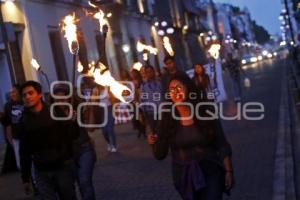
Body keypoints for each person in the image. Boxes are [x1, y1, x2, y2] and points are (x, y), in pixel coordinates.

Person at [148, 74, 234, 200]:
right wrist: (154, 142)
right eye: (171, 90)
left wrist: (228, 171)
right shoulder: (167, 119)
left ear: (188, 88)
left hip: (210, 171)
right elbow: (160, 154)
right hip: (184, 175)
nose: (175, 92)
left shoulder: (206, 112)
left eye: (179, 88)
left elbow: (222, 144)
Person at [19, 81, 78, 199]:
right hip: (41, 170)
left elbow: (72, 136)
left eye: (30, 93)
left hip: (61, 167)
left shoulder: (55, 111)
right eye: (24, 95)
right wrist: (25, 178)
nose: (27, 97)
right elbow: (24, 151)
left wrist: (72, 123)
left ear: (40, 94)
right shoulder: (24, 121)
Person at [51, 86, 97, 200]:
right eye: (57, 100)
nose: (61, 102)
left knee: (84, 181)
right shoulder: (52, 116)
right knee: (69, 188)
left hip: (84, 149)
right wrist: (68, 122)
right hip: (68, 155)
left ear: (69, 98)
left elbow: (91, 128)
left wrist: (90, 108)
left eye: (64, 99)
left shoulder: (78, 109)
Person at [1, 84, 24, 171]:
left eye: (14, 92)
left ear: (19, 92)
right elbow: (7, 122)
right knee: (20, 163)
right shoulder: (8, 105)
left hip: (28, 136)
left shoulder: (25, 102)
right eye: (11, 92)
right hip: (16, 137)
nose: (12, 94)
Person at [91, 85, 118, 152]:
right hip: (101, 111)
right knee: (104, 131)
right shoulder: (95, 89)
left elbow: (113, 99)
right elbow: (93, 101)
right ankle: (109, 143)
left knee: (110, 129)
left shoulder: (108, 88)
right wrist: (96, 95)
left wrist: (116, 109)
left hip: (109, 109)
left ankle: (114, 145)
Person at [140, 65, 162, 136]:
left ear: (154, 72)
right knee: (155, 133)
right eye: (147, 72)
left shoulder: (160, 83)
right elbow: (142, 101)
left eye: (151, 71)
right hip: (151, 113)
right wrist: (143, 114)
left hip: (162, 111)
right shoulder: (144, 86)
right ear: (145, 74)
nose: (150, 74)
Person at [130, 68, 146, 138]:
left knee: (142, 116)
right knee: (136, 118)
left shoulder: (141, 80)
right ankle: (141, 130)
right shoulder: (131, 82)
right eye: (131, 74)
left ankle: (143, 130)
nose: (132, 75)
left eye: (133, 73)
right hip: (135, 102)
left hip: (142, 101)